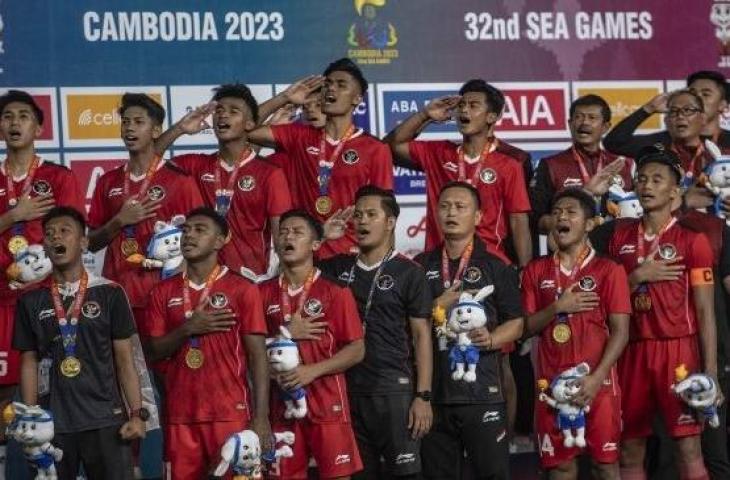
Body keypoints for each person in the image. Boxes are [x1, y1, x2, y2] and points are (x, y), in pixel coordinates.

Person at [593, 146, 719, 480]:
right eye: (642, 179)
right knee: (629, 448)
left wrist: (711, 372)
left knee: (688, 448)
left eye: (657, 179)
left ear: (675, 192)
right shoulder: (616, 235)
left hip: (679, 352)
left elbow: (706, 312)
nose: (647, 185)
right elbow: (603, 298)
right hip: (630, 351)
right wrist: (637, 277)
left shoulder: (694, 241)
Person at [13, 206, 146, 479]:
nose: (55, 238)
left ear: (84, 242)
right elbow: (29, 361)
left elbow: (125, 360)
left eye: (64, 231)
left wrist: (136, 414)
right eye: (49, 234)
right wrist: (30, 416)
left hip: (106, 420)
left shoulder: (109, 293)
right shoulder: (30, 300)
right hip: (53, 424)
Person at [143, 207, 271, 479]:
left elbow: (258, 356)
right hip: (180, 416)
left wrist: (261, 417)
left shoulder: (242, 288)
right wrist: (187, 328)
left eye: (200, 230)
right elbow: (152, 351)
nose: (188, 236)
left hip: (230, 413)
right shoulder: (161, 291)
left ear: (221, 240)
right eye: (186, 230)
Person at [318, 186, 433, 479]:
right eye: (358, 215)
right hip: (347, 390)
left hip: (393, 391)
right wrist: (320, 237)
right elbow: (290, 274)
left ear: (391, 221)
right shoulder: (337, 268)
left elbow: (422, 336)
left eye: (371, 214)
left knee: (405, 474)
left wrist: (423, 396)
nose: (362, 222)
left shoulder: (410, 272)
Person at [0, 90, 85, 479]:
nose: (14, 123)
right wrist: (12, 216)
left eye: (23, 116)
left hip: (47, 304)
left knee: (54, 400)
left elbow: (75, 240)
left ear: (38, 126)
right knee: (5, 404)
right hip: (0, 307)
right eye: (7, 117)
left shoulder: (58, 178)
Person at [415, 181, 524, 479]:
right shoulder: (419, 266)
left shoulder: (496, 265)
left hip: (483, 393)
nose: (451, 212)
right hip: (434, 395)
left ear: (478, 217)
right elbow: (405, 325)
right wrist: (436, 304)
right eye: (445, 206)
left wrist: (492, 339)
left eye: (461, 207)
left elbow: (517, 322)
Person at [522, 188, 630, 479]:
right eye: (557, 212)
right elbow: (526, 327)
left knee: (605, 465)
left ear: (590, 223)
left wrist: (597, 378)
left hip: (599, 384)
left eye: (570, 212)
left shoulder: (609, 269)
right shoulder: (536, 270)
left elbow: (621, 332)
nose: (561, 217)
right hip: (551, 387)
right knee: (561, 467)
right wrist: (558, 306)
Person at [248, 58, 394, 259]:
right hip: (307, 257)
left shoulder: (375, 148)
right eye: (327, 84)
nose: (330, 89)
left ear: (357, 98)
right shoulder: (298, 136)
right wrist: (283, 98)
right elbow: (245, 128)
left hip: (352, 258)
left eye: (341, 85)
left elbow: (386, 214)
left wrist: (382, 264)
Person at [260, 210, 365, 479]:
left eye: (297, 232)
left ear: (316, 244)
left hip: (327, 400)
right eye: (283, 232)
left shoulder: (336, 292)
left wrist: (312, 371)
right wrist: (286, 332)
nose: (288, 237)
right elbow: (250, 349)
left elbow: (356, 350)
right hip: (280, 404)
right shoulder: (261, 293)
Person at [385, 79, 532, 267]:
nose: (464, 110)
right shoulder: (438, 153)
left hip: (489, 262)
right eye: (461, 105)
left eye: (473, 105)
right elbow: (390, 146)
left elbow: (518, 221)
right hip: (438, 263)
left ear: (491, 117)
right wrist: (425, 115)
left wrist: (525, 270)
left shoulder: (509, 165)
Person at [155, 84, 292, 282]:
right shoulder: (196, 165)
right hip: (200, 282)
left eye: (233, 111)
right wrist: (180, 129)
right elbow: (151, 160)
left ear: (250, 124)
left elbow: (281, 238)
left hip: (248, 281)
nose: (223, 115)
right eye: (219, 111)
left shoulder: (270, 173)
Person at [88, 93, 204, 325]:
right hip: (119, 294)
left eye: (139, 122)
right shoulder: (108, 181)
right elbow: (91, 243)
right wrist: (120, 221)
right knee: (124, 362)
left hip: (164, 295)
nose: (130, 128)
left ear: (156, 130)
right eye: (126, 122)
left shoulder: (179, 181)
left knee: (162, 360)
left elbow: (201, 237)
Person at [531, 95, 635, 234]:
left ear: (605, 127)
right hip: (570, 252)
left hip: (614, 250)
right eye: (579, 117)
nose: (584, 122)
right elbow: (537, 222)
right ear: (570, 124)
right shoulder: (551, 165)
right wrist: (586, 193)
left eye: (592, 118)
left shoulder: (625, 165)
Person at [604, 70, 730, 156]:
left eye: (705, 94)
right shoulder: (665, 142)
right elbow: (614, 144)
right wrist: (649, 108)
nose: (697, 98)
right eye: (693, 93)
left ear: (722, 105)